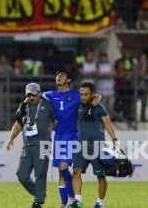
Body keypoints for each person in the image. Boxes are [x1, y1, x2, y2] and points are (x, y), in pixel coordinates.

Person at [42, 70, 100, 208]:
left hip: (72, 135)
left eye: (62, 76)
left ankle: (73, 198)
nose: (58, 77)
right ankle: (64, 203)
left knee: (63, 167)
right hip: (58, 135)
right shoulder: (51, 95)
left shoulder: (75, 94)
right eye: (57, 76)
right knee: (60, 173)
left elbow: (96, 96)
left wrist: (92, 106)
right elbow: (41, 96)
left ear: (68, 80)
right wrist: (51, 116)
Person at [7, 83, 55, 208]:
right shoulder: (24, 107)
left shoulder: (48, 104)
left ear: (39, 93)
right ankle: (39, 193)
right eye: (28, 94)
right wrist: (11, 138)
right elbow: (18, 124)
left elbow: (57, 119)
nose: (31, 97)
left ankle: (38, 202)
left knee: (40, 174)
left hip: (43, 144)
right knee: (21, 174)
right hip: (27, 145)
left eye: (33, 94)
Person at [72, 82, 119, 208]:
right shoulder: (79, 106)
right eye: (81, 94)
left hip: (97, 146)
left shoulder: (100, 108)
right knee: (76, 171)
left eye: (86, 94)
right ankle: (78, 201)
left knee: (101, 175)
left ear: (92, 94)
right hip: (81, 145)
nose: (83, 97)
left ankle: (100, 202)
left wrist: (114, 139)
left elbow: (108, 124)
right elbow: (84, 115)